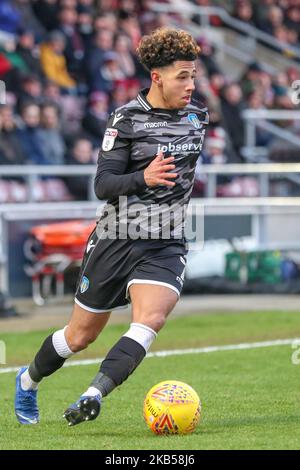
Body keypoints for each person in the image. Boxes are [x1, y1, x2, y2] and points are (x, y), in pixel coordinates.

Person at [14, 27, 209, 427]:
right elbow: (103, 185)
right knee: (79, 337)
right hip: (116, 239)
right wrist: (144, 178)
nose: (191, 85)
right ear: (156, 76)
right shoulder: (126, 119)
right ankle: (28, 380)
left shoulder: (197, 117)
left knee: (150, 320)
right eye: (182, 77)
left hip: (165, 243)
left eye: (193, 75)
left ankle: (93, 395)